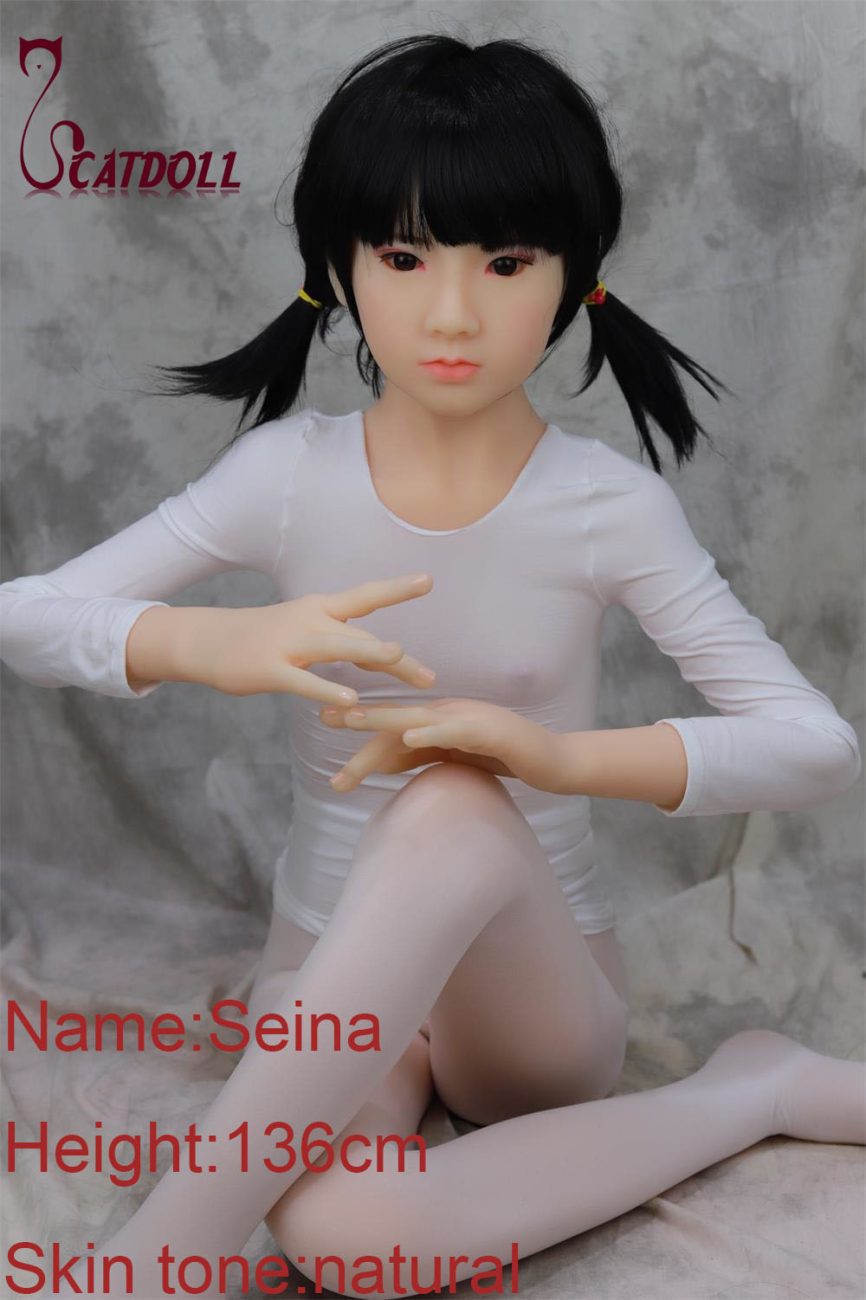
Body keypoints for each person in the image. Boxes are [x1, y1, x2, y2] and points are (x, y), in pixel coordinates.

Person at [2, 32, 863, 1300]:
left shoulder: (602, 507)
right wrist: (204, 642)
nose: (452, 313)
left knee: (454, 795)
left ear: (570, 279)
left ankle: (146, 1268)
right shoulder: (286, 476)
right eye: (404, 258)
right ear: (340, 271)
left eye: (504, 263)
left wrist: (555, 758)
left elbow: (814, 744)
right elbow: (23, 613)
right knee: (348, 1242)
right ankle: (748, 1092)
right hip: (327, 980)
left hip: (532, 1010)